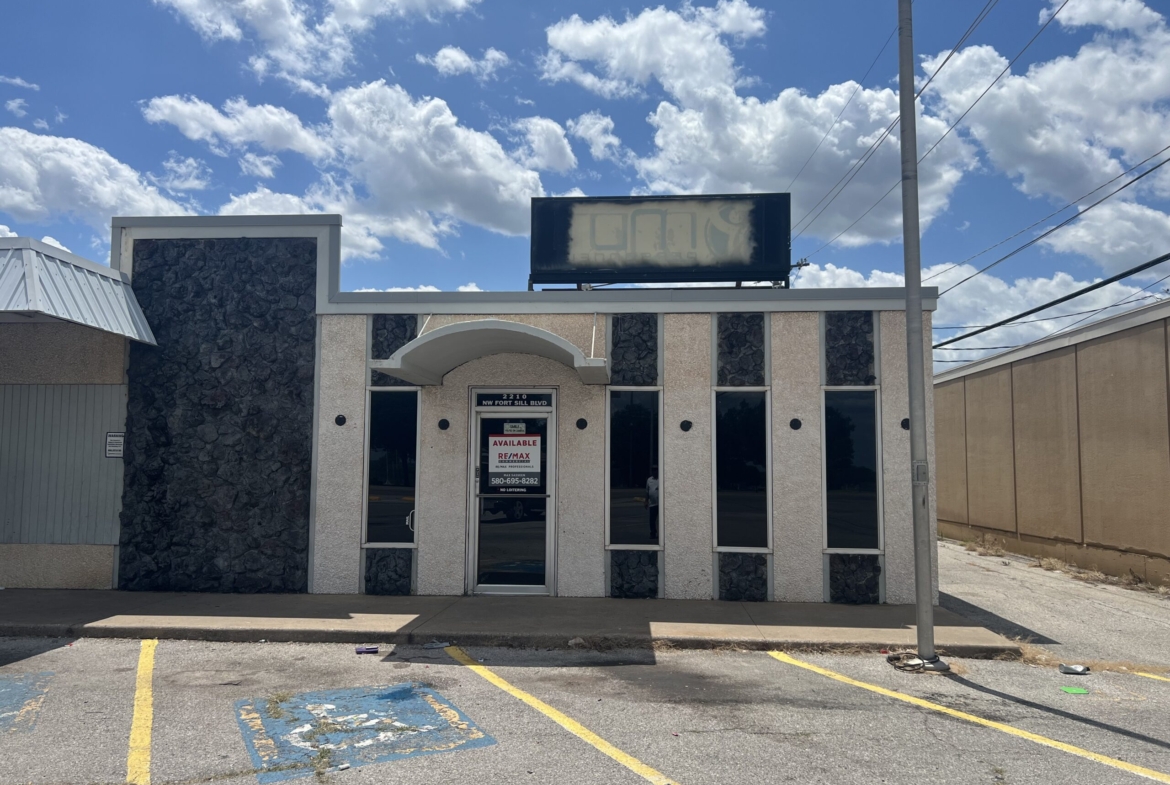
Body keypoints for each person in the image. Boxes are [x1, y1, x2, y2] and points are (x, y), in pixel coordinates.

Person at [645, 465, 659, 540]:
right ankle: (653, 533)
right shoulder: (649, 480)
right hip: (652, 503)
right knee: (652, 520)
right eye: (653, 470)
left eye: (656, 470)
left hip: (661, 504)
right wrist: (646, 501)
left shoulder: (662, 478)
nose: (655, 471)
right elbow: (647, 491)